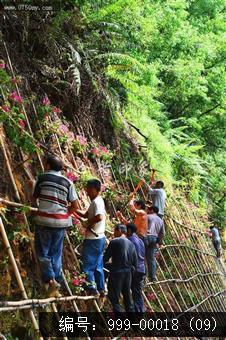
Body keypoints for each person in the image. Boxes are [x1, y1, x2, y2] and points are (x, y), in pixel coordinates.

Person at [32, 154, 79, 297]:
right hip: (61, 223)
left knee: (43, 252)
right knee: (56, 254)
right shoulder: (68, 182)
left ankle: (51, 280)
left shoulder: (42, 178)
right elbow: (75, 206)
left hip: (44, 221)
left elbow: (33, 199)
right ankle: (56, 282)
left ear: (47, 166)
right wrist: (65, 214)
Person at [76, 179, 106, 296]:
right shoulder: (98, 201)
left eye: (88, 189)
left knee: (87, 264)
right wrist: (72, 208)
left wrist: (88, 223)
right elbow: (85, 214)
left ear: (94, 189)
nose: (87, 192)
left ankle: (91, 288)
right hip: (100, 238)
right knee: (98, 264)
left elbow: (99, 217)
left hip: (93, 239)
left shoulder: (96, 202)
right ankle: (101, 288)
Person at [104, 224, 138, 313]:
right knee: (127, 298)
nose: (113, 232)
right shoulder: (131, 244)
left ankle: (121, 321)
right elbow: (135, 263)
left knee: (114, 297)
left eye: (114, 230)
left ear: (119, 230)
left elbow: (106, 258)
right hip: (128, 274)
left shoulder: (115, 241)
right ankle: (133, 323)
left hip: (117, 273)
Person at [127, 223, 146, 313]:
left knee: (135, 290)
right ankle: (140, 310)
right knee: (137, 290)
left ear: (129, 230)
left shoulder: (129, 240)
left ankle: (138, 311)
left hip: (135, 269)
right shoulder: (140, 240)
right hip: (142, 268)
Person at [146, 206, 165, 281]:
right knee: (151, 258)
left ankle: (142, 276)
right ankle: (152, 277)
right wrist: (159, 242)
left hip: (146, 236)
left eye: (148, 210)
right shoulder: (160, 220)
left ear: (152, 210)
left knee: (141, 256)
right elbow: (162, 233)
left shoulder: (148, 216)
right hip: (154, 239)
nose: (147, 211)